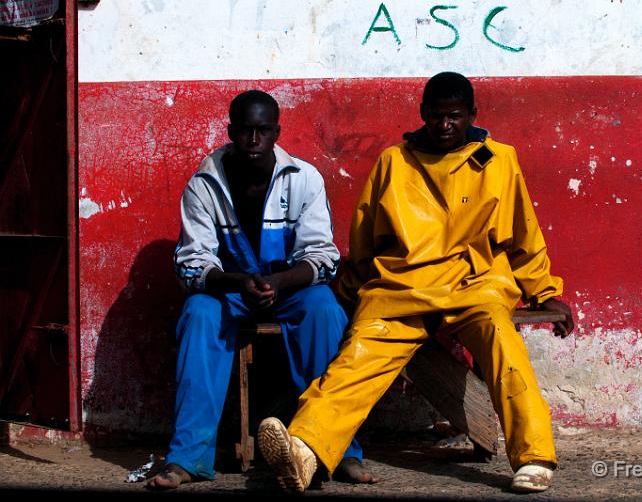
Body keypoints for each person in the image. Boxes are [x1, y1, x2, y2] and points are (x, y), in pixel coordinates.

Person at [258, 72, 575, 494]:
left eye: (455, 117)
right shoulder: (394, 162)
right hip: (401, 288)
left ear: (472, 116)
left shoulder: (499, 161)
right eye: (437, 116)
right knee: (358, 358)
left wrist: (545, 289)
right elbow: (365, 236)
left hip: (475, 285)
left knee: (504, 344)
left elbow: (524, 234)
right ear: (423, 115)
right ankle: (304, 449)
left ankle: (534, 457)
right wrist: (348, 288)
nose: (445, 125)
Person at [146, 90, 376, 490]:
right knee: (198, 314)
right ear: (231, 131)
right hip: (230, 292)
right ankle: (189, 458)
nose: (254, 140)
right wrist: (240, 282)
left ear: (276, 132)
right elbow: (191, 265)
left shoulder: (303, 179)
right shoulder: (205, 184)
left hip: (289, 291)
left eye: (263, 131)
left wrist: (278, 283)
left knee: (325, 311)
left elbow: (322, 257)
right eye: (246, 131)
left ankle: (338, 451)